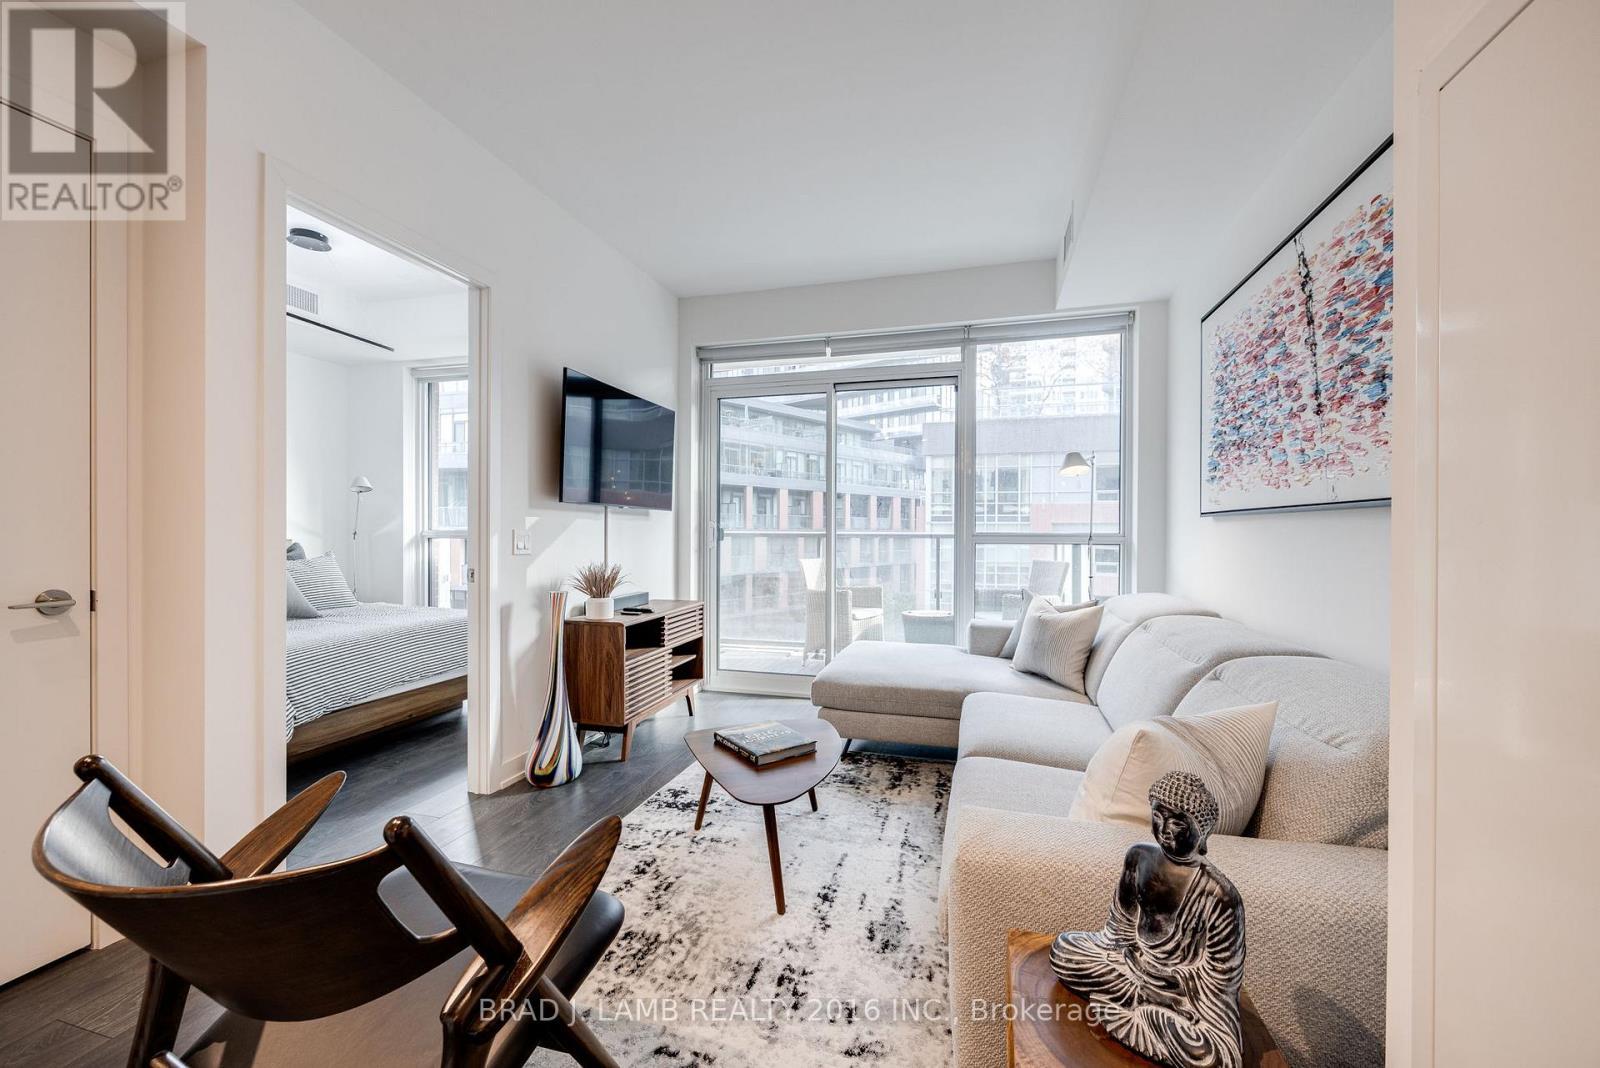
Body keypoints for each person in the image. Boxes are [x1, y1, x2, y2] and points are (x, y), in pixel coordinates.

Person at [1050, 771, 1246, 1068]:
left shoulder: (1220, 896)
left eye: (1178, 821)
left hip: (1180, 996)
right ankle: (1136, 1010)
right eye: (1158, 815)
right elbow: (1118, 929)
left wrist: (1171, 985)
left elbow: (1220, 981)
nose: (1165, 828)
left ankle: (1134, 1014)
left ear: (1202, 831)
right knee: (1064, 950)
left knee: (1215, 1057)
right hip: (1130, 967)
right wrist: (1124, 958)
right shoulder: (1138, 857)